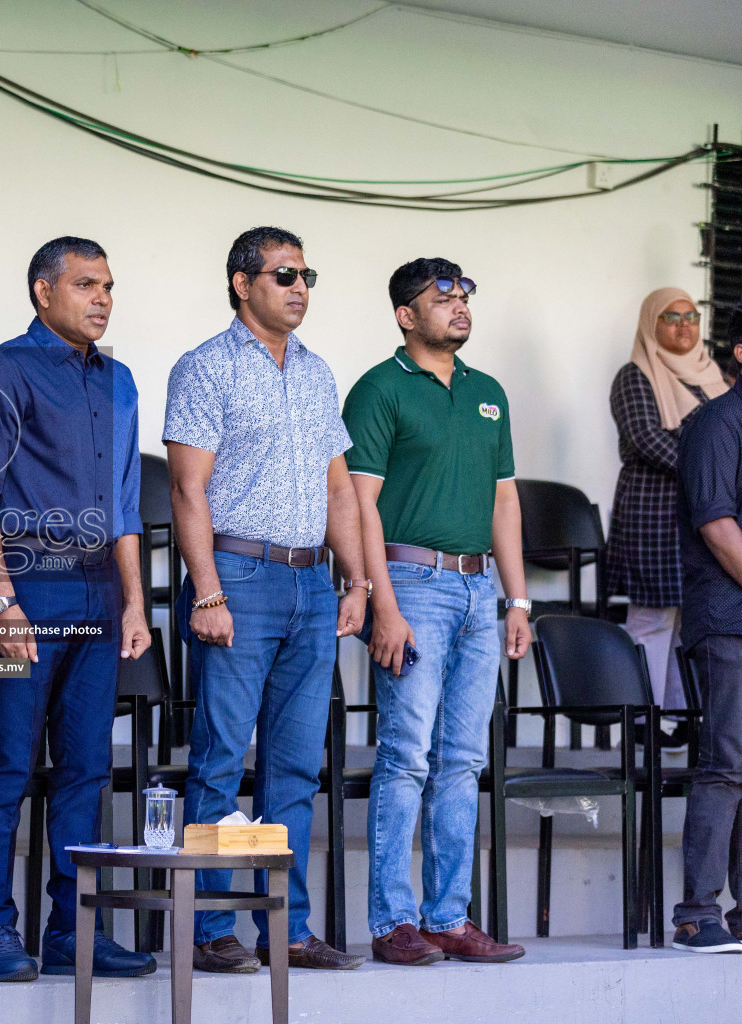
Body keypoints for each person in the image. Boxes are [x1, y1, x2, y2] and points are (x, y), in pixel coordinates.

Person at [163, 226, 368, 973]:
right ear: (242, 283)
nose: (300, 287)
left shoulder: (317, 373)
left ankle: (288, 927)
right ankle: (212, 925)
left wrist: (357, 582)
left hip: (312, 584)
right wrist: (208, 592)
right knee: (221, 761)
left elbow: (338, 488)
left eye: (307, 274)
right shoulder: (205, 368)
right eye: (284, 274)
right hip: (239, 579)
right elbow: (187, 489)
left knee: (294, 766)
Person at [0, 237, 156, 983]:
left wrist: (135, 602)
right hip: (27, 584)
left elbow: (127, 503)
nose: (102, 298)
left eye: (108, 285)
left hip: (103, 589)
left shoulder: (122, 380)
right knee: (7, 763)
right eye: (84, 285)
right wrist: (1, 601)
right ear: (44, 292)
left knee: (84, 769)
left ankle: (75, 931)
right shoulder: (2, 370)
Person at [343, 258, 530, 966]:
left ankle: (449, 916)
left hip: (481, 590)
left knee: (463, 761)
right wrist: (378, 603)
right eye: (440, 296)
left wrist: (516, 599)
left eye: (464, 294)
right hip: (410, 582)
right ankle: (394, 921)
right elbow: (359, 503)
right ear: (405, 315)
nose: (458, 305)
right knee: (407, 757)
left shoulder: (488, 393)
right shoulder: (380, 389)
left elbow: (504, 501)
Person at [607, 288, 726, 743]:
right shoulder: (635, 376)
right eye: (671, 317)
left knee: (687, 620)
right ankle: (642, 718)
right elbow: (648, 441)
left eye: (691, 316)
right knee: (652, 619)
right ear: (651, 325)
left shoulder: (712, 375)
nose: (684, 326)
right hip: (653, 514)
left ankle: (675, 720)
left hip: (703, 516)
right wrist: (719, 468)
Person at [672, 307, 742, 953]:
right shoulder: (718, 423)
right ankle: (697, 915)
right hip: (728, 624)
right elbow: (718, 525)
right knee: (726, 765)